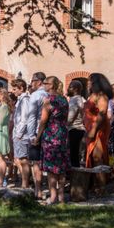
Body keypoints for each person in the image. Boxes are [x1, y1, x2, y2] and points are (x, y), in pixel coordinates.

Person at [36, 76, 69, 204]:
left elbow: (43, 121)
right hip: (62, 134)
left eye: (46, 83)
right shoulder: (64, 100)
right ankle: (61, 197)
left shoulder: (49, 100)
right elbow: (66, 119)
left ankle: (53, 196)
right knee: (61, 168)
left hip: (51, 135)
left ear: (52, 85)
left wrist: (37, 138)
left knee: (51, 169)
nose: (44, 84)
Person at [84, 73, 112, 195]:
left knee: (97, 157)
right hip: (90, 129)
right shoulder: (92, 95)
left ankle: (102, 187)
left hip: (98, 130)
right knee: (91, 157)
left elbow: (102, 113)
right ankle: (95, 184)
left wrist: (93, 130)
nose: (88, 83)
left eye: (89, 81)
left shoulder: (102, 96)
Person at [26, 72, 48, 198]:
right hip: (49, 132)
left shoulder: (35, 95)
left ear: (39, 81)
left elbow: (32, 116)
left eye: (33, 80)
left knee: (36, 162)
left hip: (36, 131)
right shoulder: (49, 95)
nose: (31, 83)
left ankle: (38, 190)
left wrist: (31, 135)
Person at [11, 79, 32, 189]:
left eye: (15, 89)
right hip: (18, 134)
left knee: (23, 160)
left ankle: (25, 184)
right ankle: (25, 182)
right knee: (18, 159)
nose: (13, 91)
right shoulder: (20, 100)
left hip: (23, 135)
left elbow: (24, 119)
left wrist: (18, 134)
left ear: (21, 88)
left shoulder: (25, 100)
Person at [67, 80, 85, 168]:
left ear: (76, 89)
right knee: (73, 154)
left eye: (70, 87)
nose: (68, 88)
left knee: (74, 154)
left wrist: (68, 122)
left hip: (76, 129)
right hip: (72, 129)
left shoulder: (78, 99)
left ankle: (76, 175)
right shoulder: (73, 99)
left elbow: (82, 109)